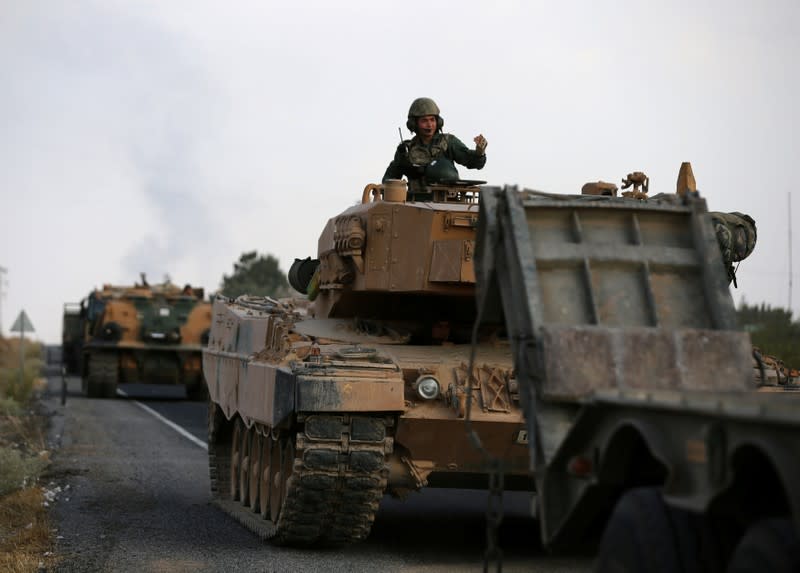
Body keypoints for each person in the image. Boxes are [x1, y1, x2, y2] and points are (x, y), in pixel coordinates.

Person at [383, 97, 487, 192]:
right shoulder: (407, 150)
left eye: (432, 120)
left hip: (447, 200)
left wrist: (479, 152)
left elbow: (472, 161)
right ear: (414, 124)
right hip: (415, 204)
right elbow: (389, 180)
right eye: (424, 121)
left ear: (438, 121)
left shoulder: (448, 142)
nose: (429, 125)